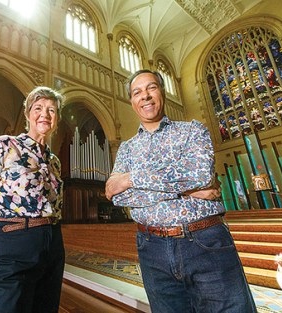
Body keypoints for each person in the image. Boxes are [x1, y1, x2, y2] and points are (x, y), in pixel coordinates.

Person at [106, 70, 257, 313]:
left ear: (162, 92)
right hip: (151, 247)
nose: (145, 96)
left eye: (151, 88)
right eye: (137, 92)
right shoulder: (126, 148)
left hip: (205, 241)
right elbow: (117, 195)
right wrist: (186, 191)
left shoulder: (193, 131)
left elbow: (198, 176)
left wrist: (132, 178)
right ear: (132, 101)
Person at [0, 86, 65, 313]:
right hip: (9, 237)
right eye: (38, 108)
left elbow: (56, 205)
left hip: (50, 242)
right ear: (28, 113)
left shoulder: (55, 162)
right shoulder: (3, 145)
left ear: (57, 119)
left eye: (52, 110)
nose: (45, 115)